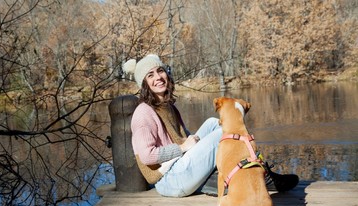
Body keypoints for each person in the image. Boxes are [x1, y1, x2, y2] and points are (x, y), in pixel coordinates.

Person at [123, 54, 298, 197]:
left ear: (166, 74)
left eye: (160, 71)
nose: (158, 78)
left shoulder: (168, 107)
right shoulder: (143, 113)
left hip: (178, 169)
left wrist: (191, 145)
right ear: (144, 84)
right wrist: (183, 147)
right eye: (150, 75)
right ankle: (256, 173)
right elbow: (147, 156)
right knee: (223, 132)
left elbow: (185, 139)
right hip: (169, 181)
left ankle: (220, 178)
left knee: (213, 124)